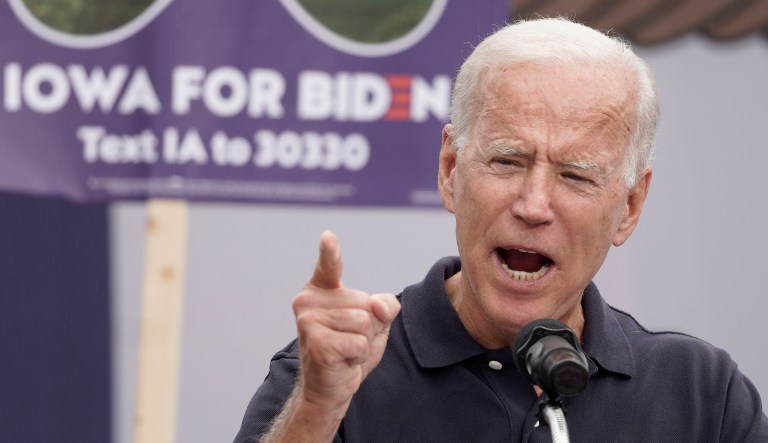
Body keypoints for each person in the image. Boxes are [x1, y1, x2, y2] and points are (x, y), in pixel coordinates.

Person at [235, 17, 768, 442]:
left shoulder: (701, 392)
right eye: (507, 162)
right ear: (450, 170)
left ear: (629, 206)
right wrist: (317, 409)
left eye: (575, 175)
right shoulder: (338, 374)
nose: (533, 206)